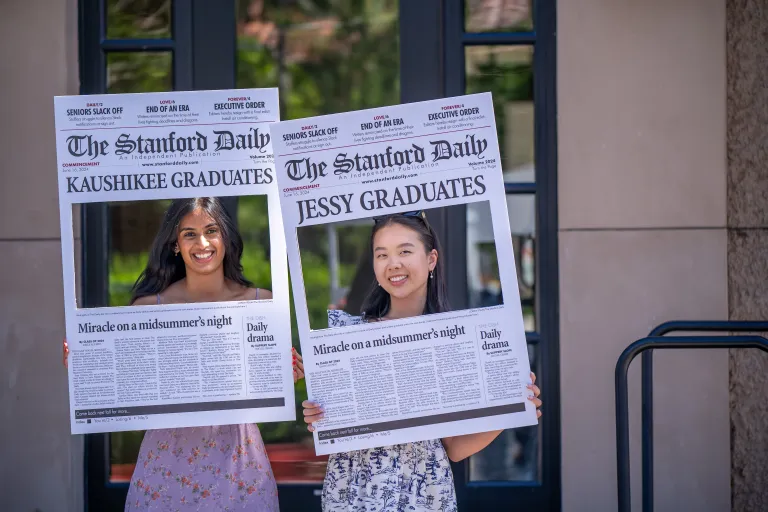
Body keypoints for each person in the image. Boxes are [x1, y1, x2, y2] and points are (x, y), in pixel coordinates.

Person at [63, 197, 304, 511]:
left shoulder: (261, 302)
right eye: (189, 233)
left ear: (225, 238)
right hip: (165, 464)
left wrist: (289, 377)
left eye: (211, 230)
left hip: (239, 464)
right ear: (175, 244)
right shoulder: (148, 309)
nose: (201, 242)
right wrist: (87, 371)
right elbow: (131, 407)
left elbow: (267, 392)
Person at [304, 210, 543, 512]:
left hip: (424, 495)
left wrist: (513, 410)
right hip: (355, 493)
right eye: (382, 255)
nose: (394, 264)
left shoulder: (454, 339)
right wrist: (318, 416)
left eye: (405, 251)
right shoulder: (346, 335)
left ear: (431, 259)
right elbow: (329, 425)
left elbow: (455, 448)